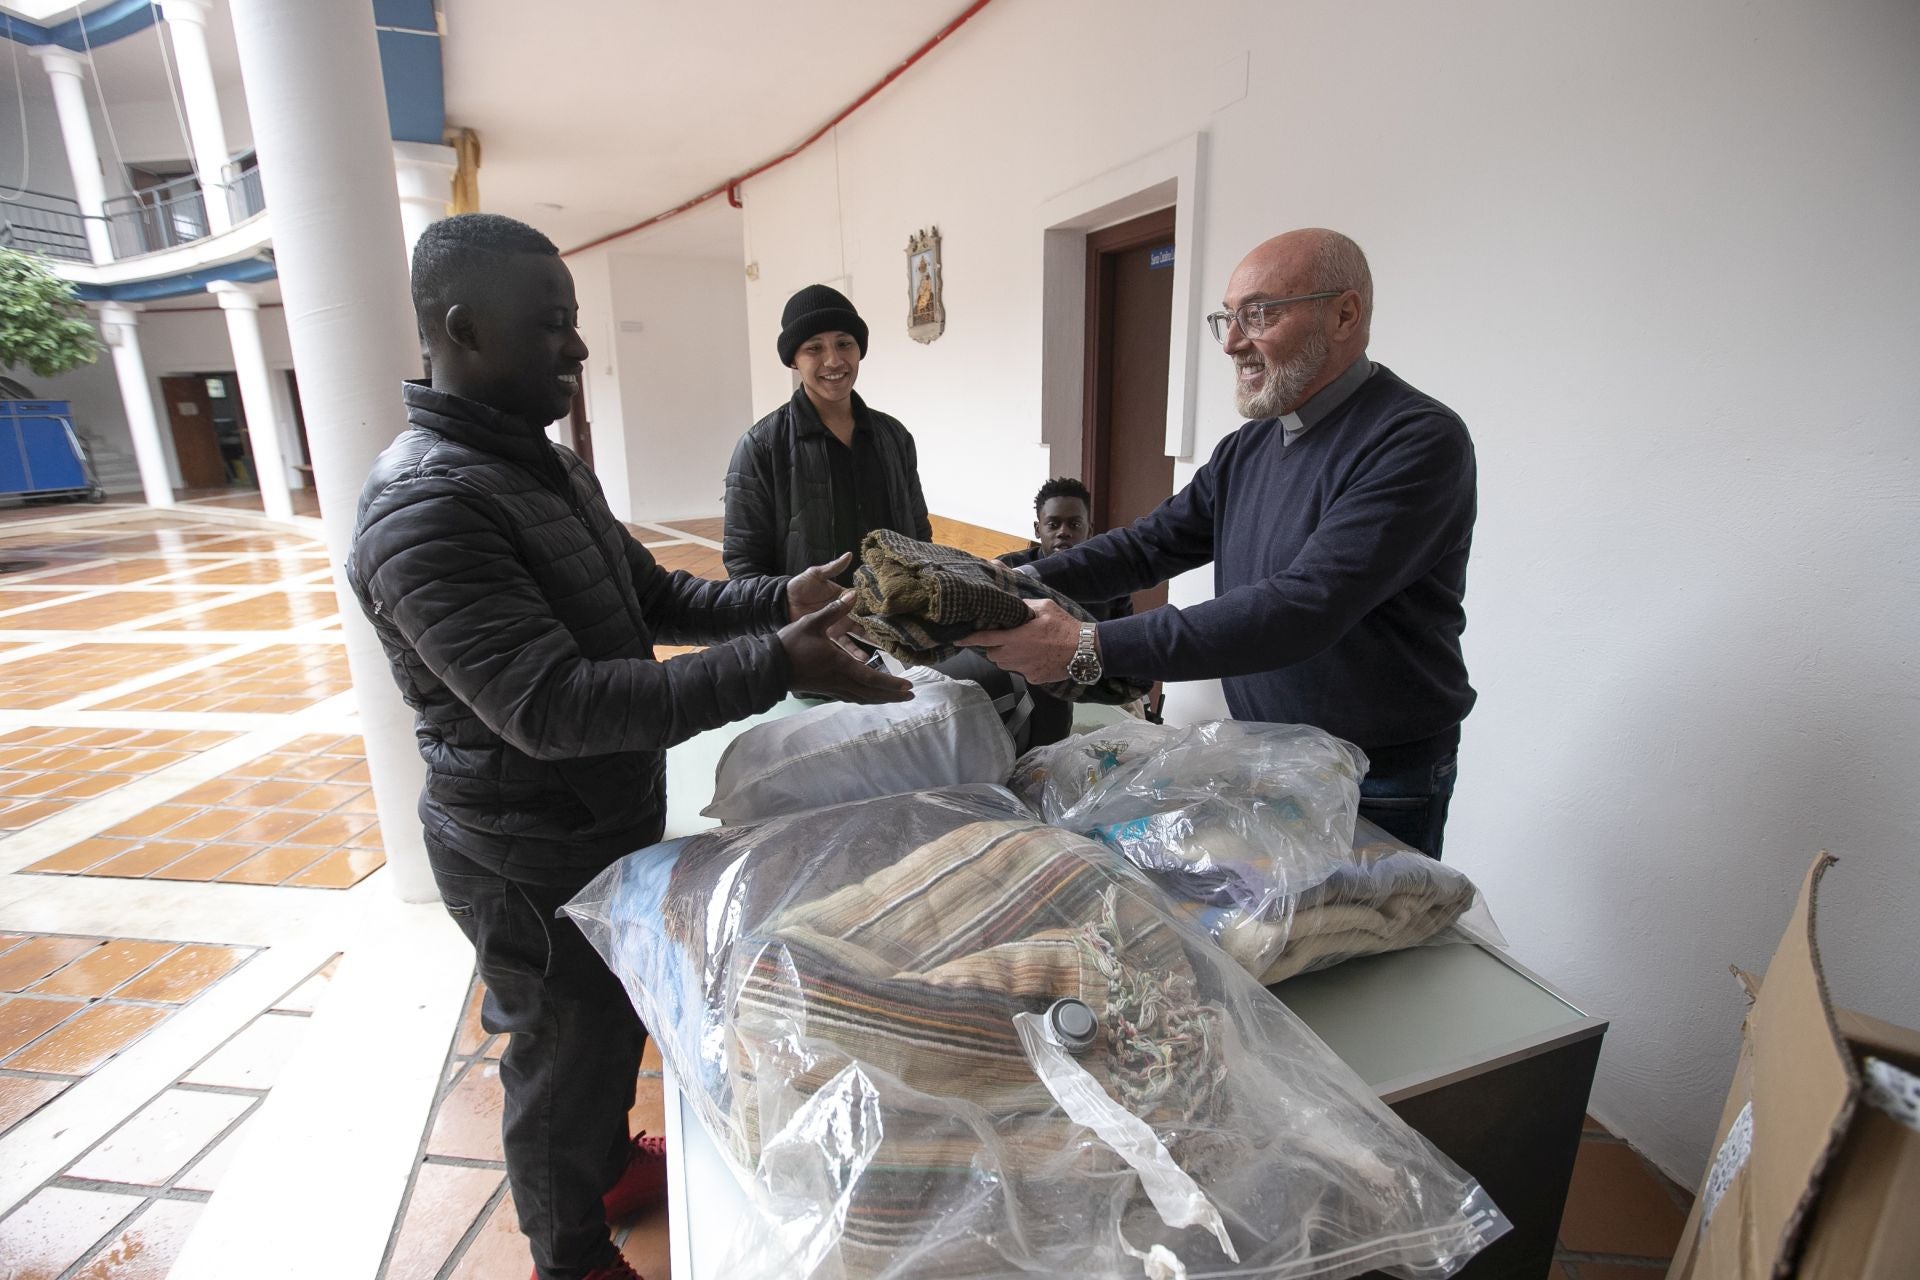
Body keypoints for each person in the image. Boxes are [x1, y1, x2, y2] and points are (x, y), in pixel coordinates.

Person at [348, 214, 910, 1280]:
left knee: (610, 1016)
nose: (578, 347)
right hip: (520, 843)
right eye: (553, 325)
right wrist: (775, 662)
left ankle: (604, 1164)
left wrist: (773, 600)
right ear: (463, 329)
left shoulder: (544, 465)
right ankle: (568, 1253)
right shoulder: (425, 506)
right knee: (559, 1048)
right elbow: (549, 705)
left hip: (592, 816)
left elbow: (649, 593)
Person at [964, 229, 1475, 858]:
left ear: (1344, 314)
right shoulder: (1250, 446)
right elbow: (1146, 547)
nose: (1233, 342)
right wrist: (996, 580)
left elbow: (1302, 608)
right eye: (1227, 318)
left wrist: (1088, 645)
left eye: (1258, 314)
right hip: (1265, 754)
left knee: (1367, 951)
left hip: (1376, 779)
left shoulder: (1415, 441)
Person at [723, 284, 932, 583]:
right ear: (794, 359)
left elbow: (919, 533)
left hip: (896, 616)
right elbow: (744, 562)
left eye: (844, 343)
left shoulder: (893, 436)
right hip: (813, 624)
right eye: (814, 348)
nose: (833, 360)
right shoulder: (762, 446)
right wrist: (792, 618)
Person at [992, 477, 1135, 745]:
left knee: (1131, 732)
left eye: (1075, 524)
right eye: (1053, 524)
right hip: (1027, 688)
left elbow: (1125, 646)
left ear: (1089, 529)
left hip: (1096, 687)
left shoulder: (1109, 578)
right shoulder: (1009, 572)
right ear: (1038, 529)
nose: (1063, 532)